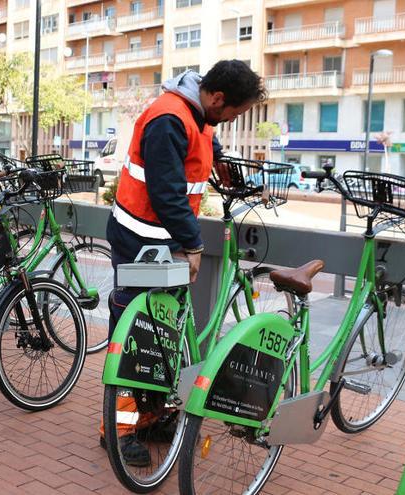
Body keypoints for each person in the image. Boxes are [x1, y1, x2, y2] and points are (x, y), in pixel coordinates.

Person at [101, 60, 267, 464]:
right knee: (134, 332)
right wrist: (194, 245)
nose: (229, 121)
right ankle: (118, 429)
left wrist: (223, 162)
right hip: (139, 239)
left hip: (165, 240)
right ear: (218, 98)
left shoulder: (198, 112)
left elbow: (204, 143)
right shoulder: (168, 119)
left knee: (163, 335)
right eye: (234, 113)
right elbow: (167, 192)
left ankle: (152, 416)